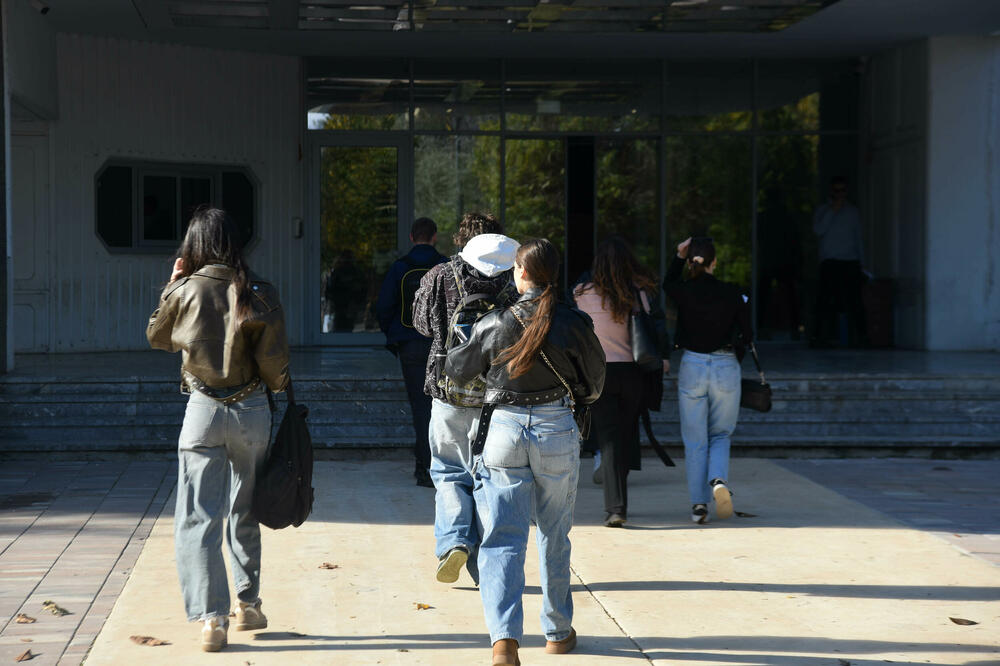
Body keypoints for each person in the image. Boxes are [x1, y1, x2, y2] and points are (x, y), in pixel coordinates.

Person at [445, 238, 605, 666]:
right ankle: (557, 631)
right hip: (556, 427)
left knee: (502, 537)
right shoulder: (573, 322)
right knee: (554, 533)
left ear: (521, 272)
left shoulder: (495, 321)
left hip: (503, 429)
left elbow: (456, 369)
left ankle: (504, 641)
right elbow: (595, 384)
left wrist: (463, 330)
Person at [146, 206, 289, 652]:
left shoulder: (186, 289)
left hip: (203, 410)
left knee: (198, 516)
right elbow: (275, 366)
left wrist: (172, 285)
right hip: (252, 411)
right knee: (244, 508)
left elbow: (157, 337)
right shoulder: (259, 291)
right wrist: (271, 387)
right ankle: (248, 605)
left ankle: (212, 620)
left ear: (195, 244)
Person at [412, 212, 520, 586]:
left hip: (449, 389)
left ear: (461, 240)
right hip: (499, 394)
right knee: (490, 476)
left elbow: (422, 325)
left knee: (448, 471)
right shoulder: (514, 276)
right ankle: (487, 564)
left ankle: (455, 541)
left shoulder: (440, 275)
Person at [572, 235, 669, 528]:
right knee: (624, 437)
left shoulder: (581, 293)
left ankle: (616, 508)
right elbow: (654, 329)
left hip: (600, 373)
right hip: (633, 373)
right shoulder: (637, 293)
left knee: (610, 439)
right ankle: (618, 501)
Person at [664, 236, 751, 525]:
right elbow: (748, 334)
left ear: (691, 262)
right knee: (721, 434)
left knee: (695, 440)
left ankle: (699, 506)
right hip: (725, 365)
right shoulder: (732, 292)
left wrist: (679, 256)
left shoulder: (685, 290)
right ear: (715, 262)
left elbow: (667, 284)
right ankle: (718, 480)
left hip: (693, 365)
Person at [376, 217, 448, 488]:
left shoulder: (400, 267)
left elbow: (384, 306)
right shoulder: (445, 266)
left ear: (411, 237)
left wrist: (395, 336)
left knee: (420, 407)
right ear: (435, 236)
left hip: (410, 344)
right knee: (443, 406)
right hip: (441, 344)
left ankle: (424, 467)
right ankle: (442, 464)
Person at [812, 175, 866, 347]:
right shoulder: (823, 210)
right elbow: (818, 230)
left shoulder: (853, 212)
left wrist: (862, 263)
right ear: (831, 191)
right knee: (825, 301)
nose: (839, 195)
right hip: (830, 261)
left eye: (842, 191)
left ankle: (861, 338)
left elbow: (859, 238)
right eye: (836, 191)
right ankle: (820, 338)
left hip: (850, 261)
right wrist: (832, 210)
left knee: (854, 301)